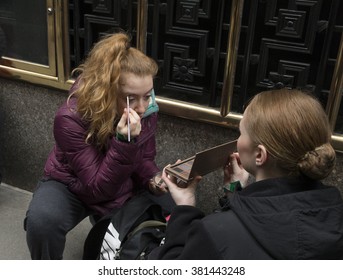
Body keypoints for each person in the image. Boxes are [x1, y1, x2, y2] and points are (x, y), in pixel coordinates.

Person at [24, 32, 171, 259]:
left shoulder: (146, 109)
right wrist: (124, 142)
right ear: (106, 92)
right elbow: (97, 187)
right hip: (71, 184)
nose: (143, 107)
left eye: (147, 95)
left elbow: (143, 159)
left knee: (170, 202)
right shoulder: (70, 117)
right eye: (131, 98)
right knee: (43, 222)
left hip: (120, 179)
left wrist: (154, 179)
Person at [150, 88, 343, 259]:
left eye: (240, 132)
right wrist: (234, 193)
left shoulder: (215, 233)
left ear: (259, 155)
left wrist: (184, 207)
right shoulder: (335, 216)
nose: (237, 139)